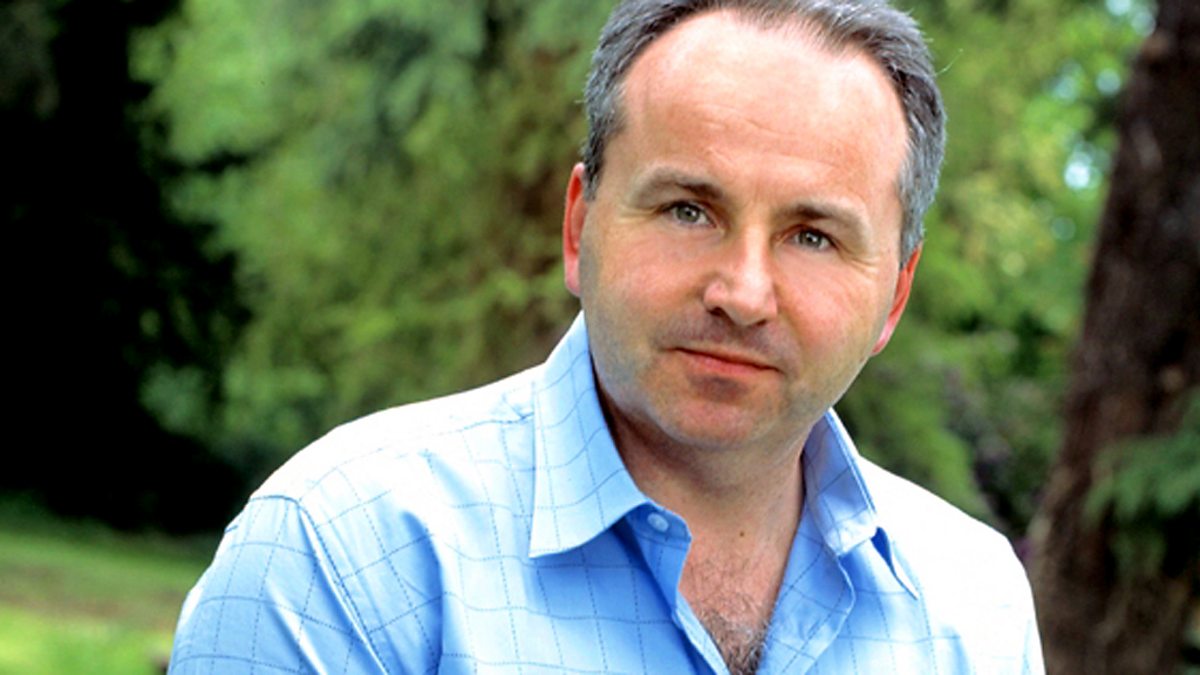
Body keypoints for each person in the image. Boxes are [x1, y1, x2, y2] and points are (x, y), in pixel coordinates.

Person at [168, 0, 1044, 673]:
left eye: (812, 236)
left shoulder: (974, 605)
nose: (743, 293)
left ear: (894, 294)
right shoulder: (346, 554)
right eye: (689, 209)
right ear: (579, 226)